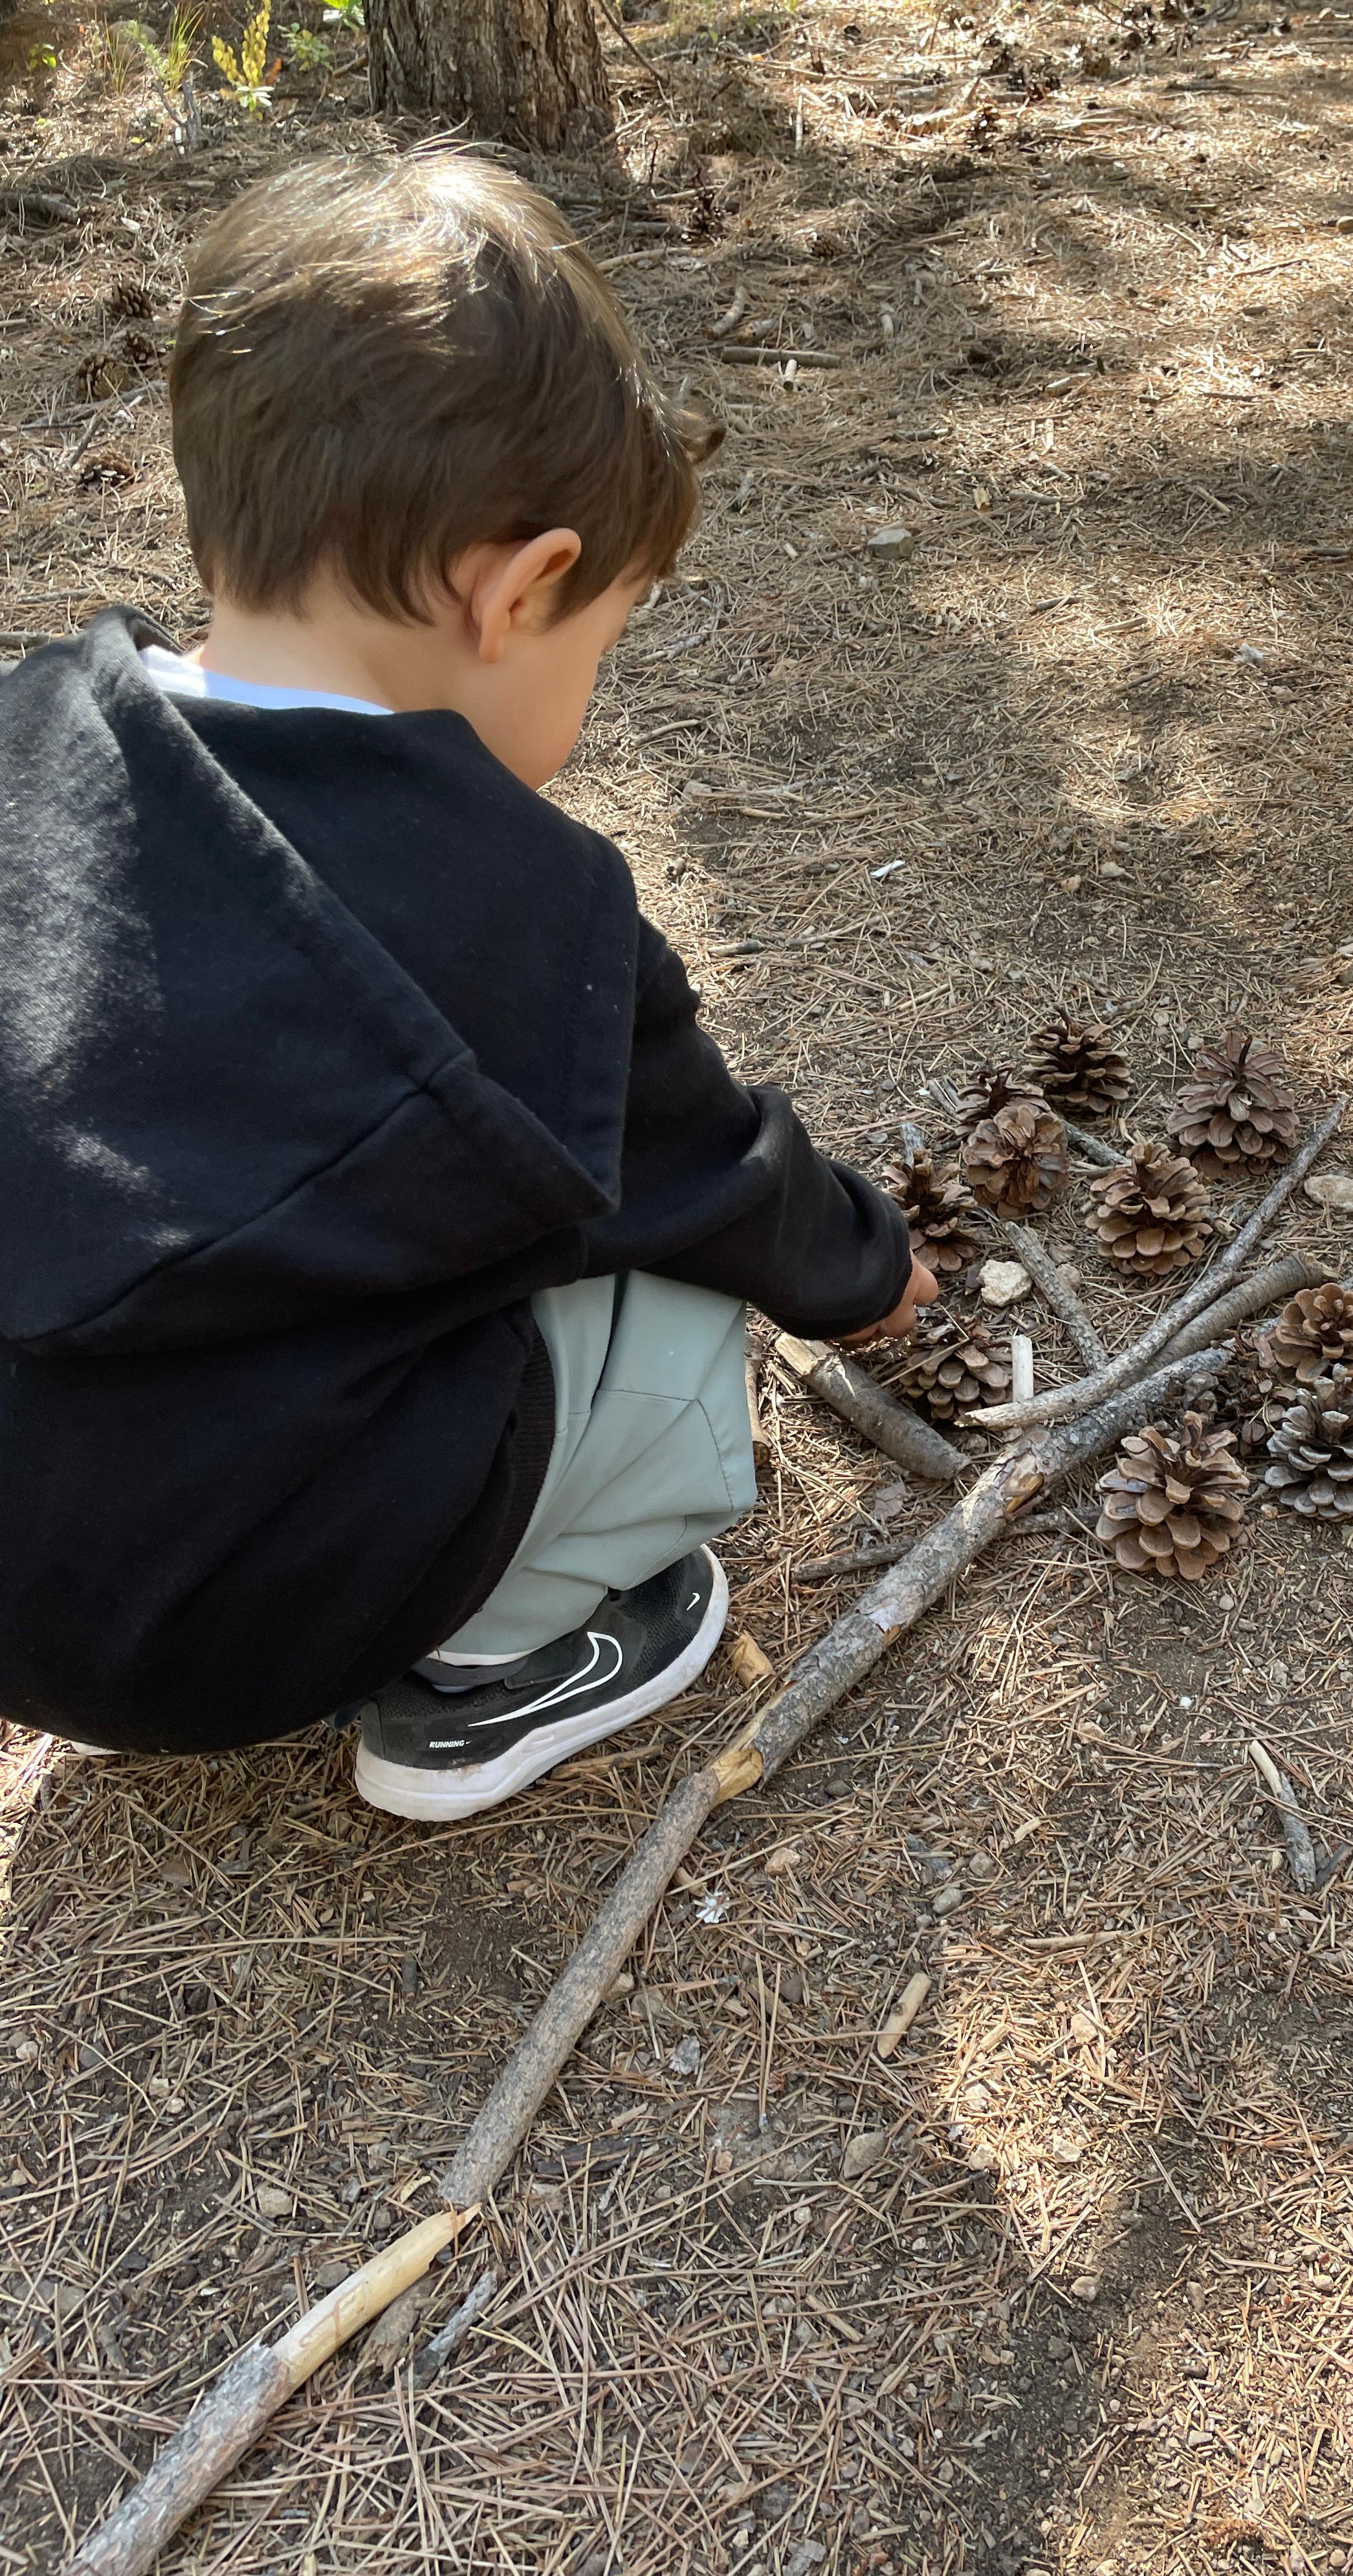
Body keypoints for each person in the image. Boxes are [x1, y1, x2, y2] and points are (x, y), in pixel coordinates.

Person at [0, 152, 934, 1821]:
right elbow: (713, 1182)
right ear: (512, 595)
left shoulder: (36, 738)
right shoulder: (524, 910)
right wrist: (866, 1271)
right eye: (601, 641)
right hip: (213, 1629)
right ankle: (495, 1668)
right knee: (675, 1324)